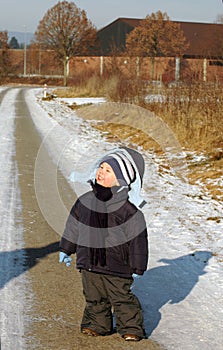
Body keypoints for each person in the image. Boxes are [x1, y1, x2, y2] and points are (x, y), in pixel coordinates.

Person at [59, 147, 148, 341]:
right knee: (94, 297)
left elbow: (138, 240)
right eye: (101, 167)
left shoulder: (129, 212)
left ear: (122, 180)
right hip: (89, 262)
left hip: (118, 265)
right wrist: (66, 248)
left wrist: (138, 265)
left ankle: (131, 327)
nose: (101, 172)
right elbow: (73, 226)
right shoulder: (85, 202)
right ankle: (96, 325)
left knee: (122, 298)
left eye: (109, 170)